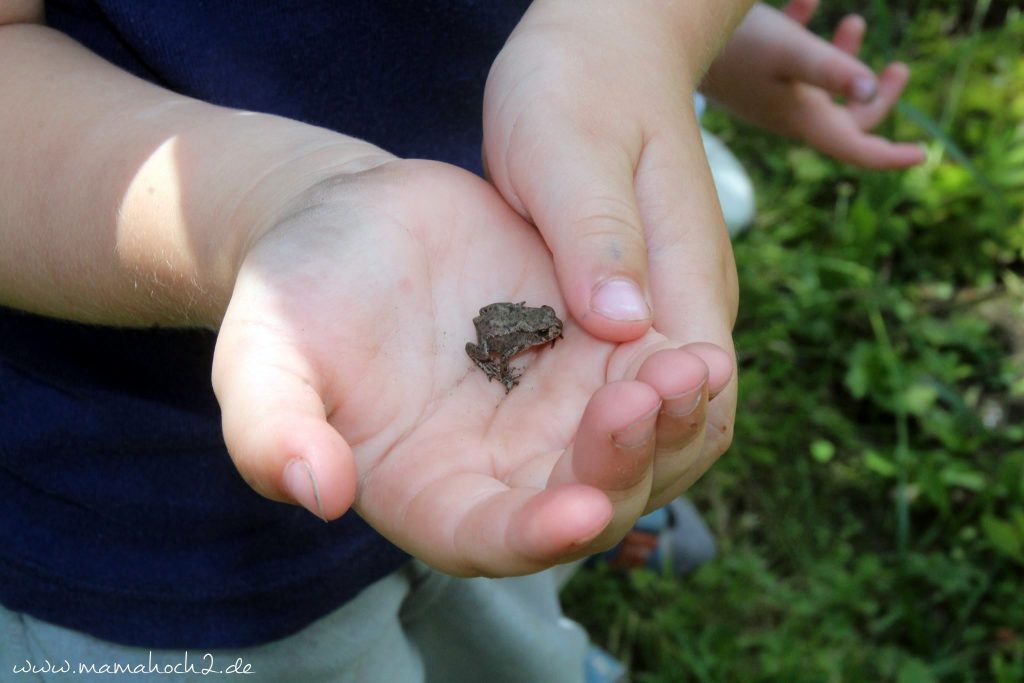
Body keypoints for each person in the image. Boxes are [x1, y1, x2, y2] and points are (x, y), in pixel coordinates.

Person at [0, 2, 921, 681]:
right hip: (134, 533)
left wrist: (655, 32)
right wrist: (266, 205)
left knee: (515, 590)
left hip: (482, 337)